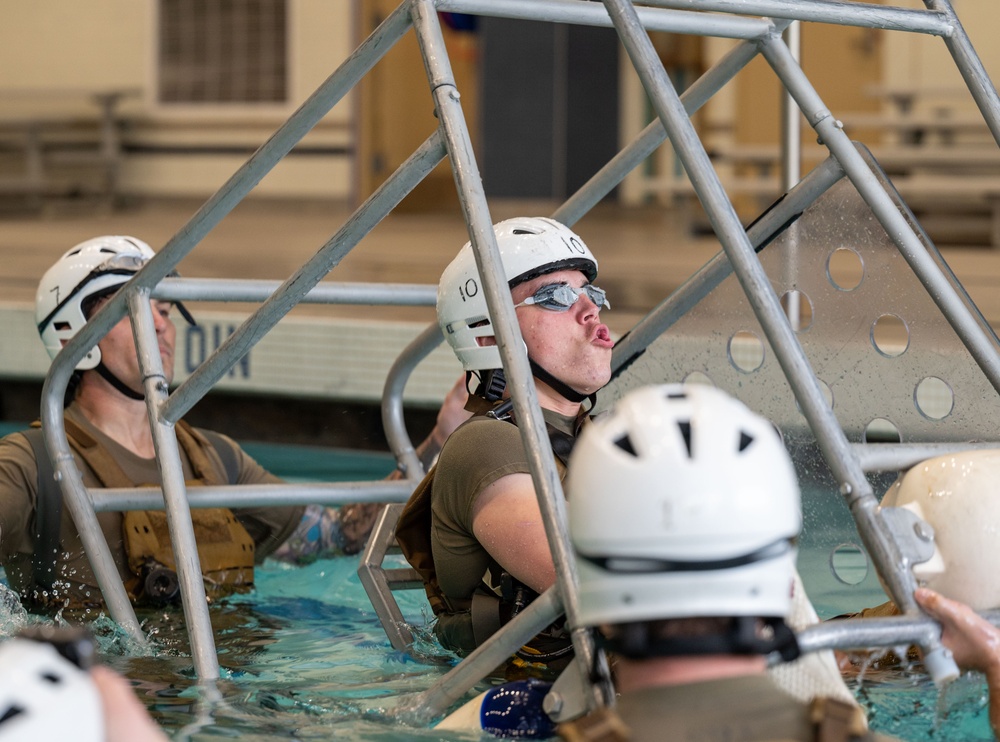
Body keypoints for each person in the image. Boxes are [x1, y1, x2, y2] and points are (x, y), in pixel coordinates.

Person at [0, 235, 467, 614]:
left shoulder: (216, 459)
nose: (161, 325)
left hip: (237, 684)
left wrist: (440, 439)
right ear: (73, 334)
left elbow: (338, 535)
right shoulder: (33, 465)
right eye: (135, 310)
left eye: (164, 309)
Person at [396, 216, 614, 672]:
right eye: (555, 296)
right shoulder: (487, 446)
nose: (591, 310)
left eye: (590, 293)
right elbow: (594, 590)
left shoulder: (604, 439)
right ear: (490, 332)